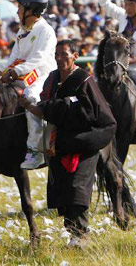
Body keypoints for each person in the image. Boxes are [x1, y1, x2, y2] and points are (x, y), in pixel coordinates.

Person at [19, 40, 116, 247]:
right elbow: (44, 103)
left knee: (76, 187)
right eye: (57, 54)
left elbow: (90, 112)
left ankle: (81, 234)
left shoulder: (84, 79)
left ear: (75, 56)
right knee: (62, 187)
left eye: (65, 54)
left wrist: (56, 108)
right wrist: (31, 104)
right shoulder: (52, 78)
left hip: (85, 139)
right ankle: (72, 231)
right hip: (60, 141)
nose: (60, 58)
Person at [0, 0, 57, 170]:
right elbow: (13, 56)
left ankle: (36, 152)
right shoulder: (22, 31)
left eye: (20, 7)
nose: (17, 11)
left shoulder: (46, 31)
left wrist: (14, 72)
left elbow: (38, 59)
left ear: (30, 9)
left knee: (30, 98)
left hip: (43, 73)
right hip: (23, 71)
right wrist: (0, 70)